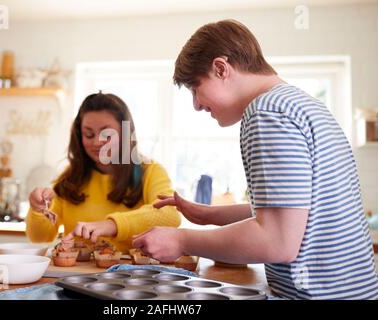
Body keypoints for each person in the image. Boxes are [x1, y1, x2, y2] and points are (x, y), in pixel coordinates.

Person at [132, 19, 378, 299]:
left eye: (195, 88)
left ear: (221, 68)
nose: (197, 105)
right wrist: (209, 215)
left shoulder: (266, 114)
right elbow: (294, 211)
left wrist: (182, 240)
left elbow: (277, 241)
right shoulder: (301, 105)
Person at [26, 92, 181, 253]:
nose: (97, 142)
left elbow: (170, 214)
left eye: (106, 134)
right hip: (76, 275)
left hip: (129, 275)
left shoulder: (150, 171)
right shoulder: (70, 177)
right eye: (89, 134)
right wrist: (37, 209)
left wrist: (112, 225)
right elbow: (39, 237)